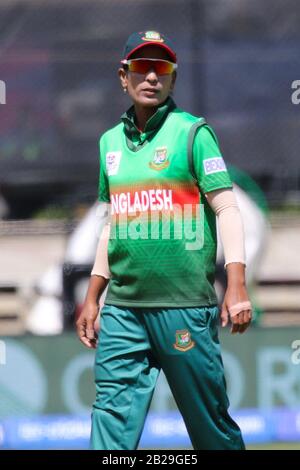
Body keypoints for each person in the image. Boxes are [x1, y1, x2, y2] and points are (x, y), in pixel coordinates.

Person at [76, 30, 252, 450]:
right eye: (141, 67)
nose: (151, 76)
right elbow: (112, 222)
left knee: (211, 428)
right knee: (112, 420)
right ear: (124, 76)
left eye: (162, 68)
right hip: (123, 310)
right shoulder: (109, 144)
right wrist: (92, 295)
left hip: (185, 306)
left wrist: (237, 284)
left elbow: (227, 209)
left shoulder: (193, 133)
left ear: (173, 78)